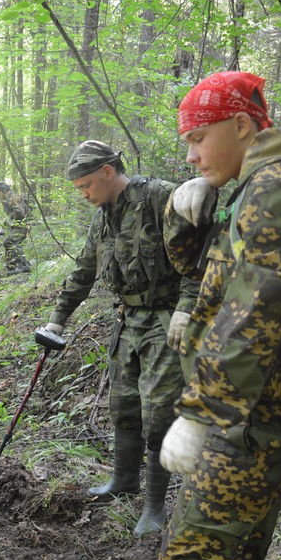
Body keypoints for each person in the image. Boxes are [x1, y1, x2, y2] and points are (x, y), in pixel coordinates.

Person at [92, 72, 281, 560]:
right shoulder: (254, 185)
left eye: (198, 138)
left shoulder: (279, 188)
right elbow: (208, 276)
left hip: (249, 420)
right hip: (262, 417)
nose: (189, 154)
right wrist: (189, 217)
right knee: (237, 552)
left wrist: (204, 409)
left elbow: (259, 305)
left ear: (243, 125)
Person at [42, 140, 200, 536]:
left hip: (167, 322)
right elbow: (83, 270)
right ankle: (124, 479)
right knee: (124, 404)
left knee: (160, 412)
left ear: (108, 172)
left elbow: (200, 257)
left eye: (86, 186)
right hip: (128, 322)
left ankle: (154, 506)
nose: (83, 195)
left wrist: (188, 307)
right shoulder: (103, 217)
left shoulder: (159, 196)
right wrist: (58, 318)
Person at [0, 181, 31, 274]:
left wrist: (7, 220)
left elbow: (19, 212)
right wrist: (2, 229)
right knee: (8, 243)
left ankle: (24, 266)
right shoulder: (6, 200)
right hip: (16, 226)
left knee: (9, 242)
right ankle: (12, 267)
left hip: (23, 225)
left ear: (2, 191)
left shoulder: (14, 197)